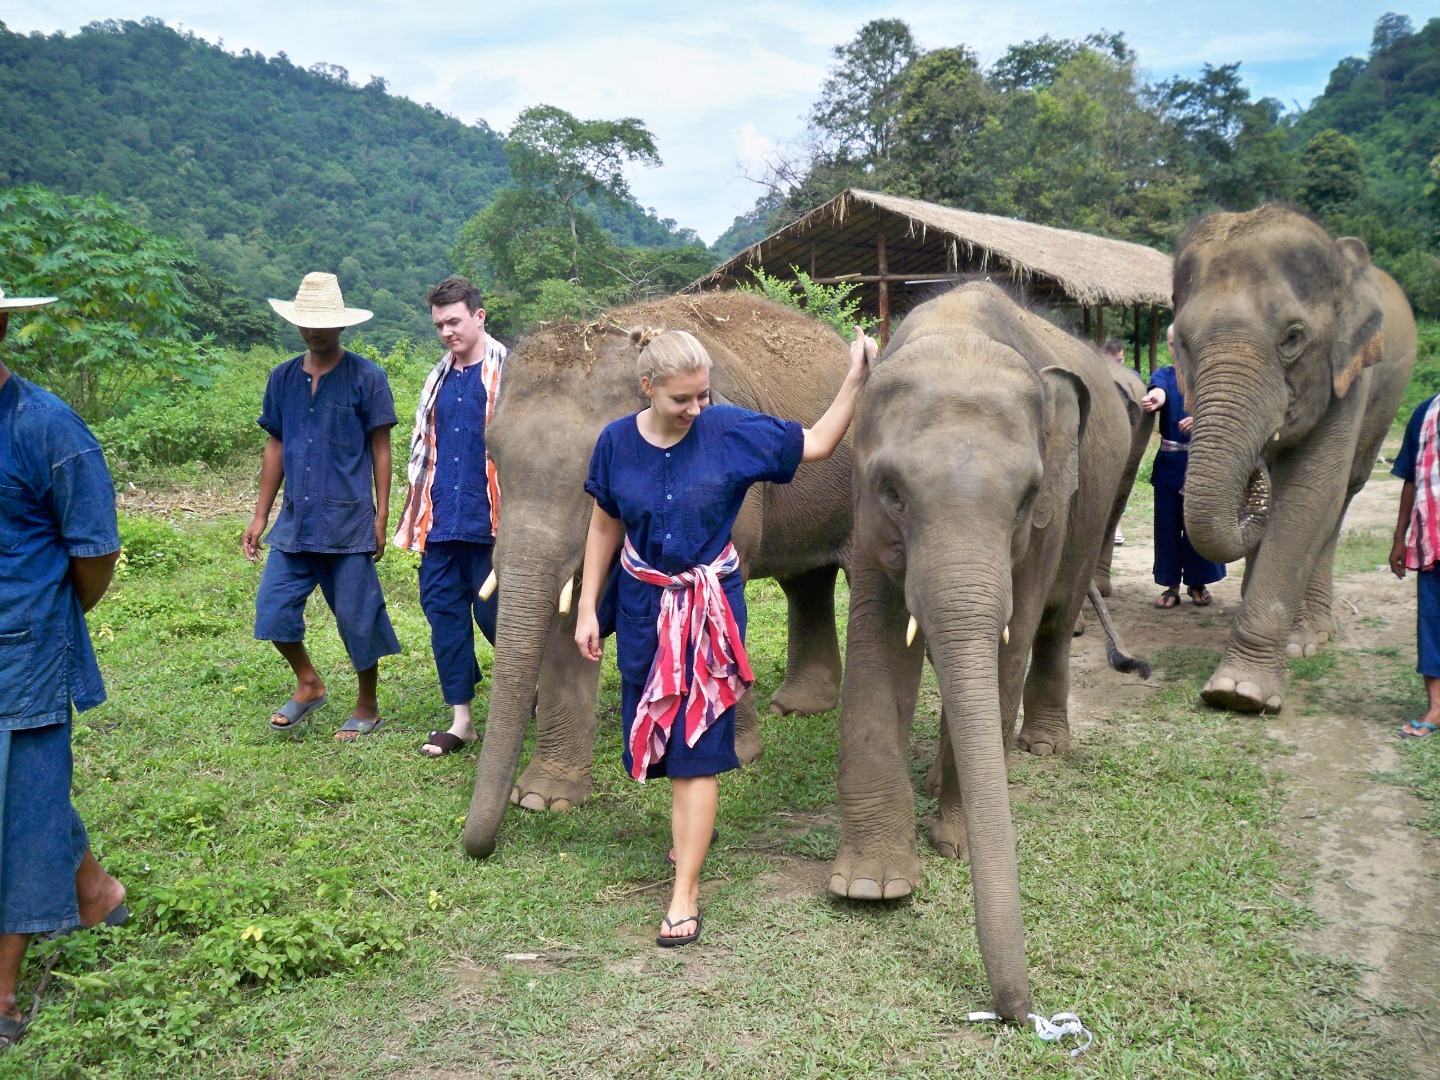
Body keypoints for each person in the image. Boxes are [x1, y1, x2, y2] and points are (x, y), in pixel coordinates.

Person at [574, 324, 874, 947]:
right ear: (647, 387)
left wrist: (854, 380)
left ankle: (684, 892)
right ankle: (687, 840)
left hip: (709, 613)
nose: (696, 409)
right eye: (683, 399)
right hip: (642, 608)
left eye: (703, 395)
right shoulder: (615, 443)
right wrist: (585, 609)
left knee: (697, 753)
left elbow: (817, 443)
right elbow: (605, 524)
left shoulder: (728, 428)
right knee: (662, 744)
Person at [0, 285, 128, 1055]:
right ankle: (95, 891)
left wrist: (46, 619)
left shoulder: (47, 428)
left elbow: (96, 550)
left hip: (25, 648)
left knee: (17, 811)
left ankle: (4, 989)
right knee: (31, 795)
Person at [241, 272, 400, 741]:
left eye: (324, 324)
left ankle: (367, 705)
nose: (315, 332)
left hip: (348, 519)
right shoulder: (283, 377)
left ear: (341, 326)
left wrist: (382, 513)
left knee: (358, 616)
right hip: (296, 521)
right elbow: (275, 446)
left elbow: (381, 449)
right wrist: (259, 513)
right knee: (273, 610)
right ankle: (308, 684)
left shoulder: (366, 378)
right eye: (307, 323)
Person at [392, 276, 507, 757]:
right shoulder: (437, 377)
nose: (446, 332)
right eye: (439, 324)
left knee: (498, 617)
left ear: (479, 316)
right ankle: (461, 720)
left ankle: (539, 695)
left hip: (494, 525)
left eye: (454, 321)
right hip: (440, 522)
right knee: (444, 616)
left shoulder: (511, 374)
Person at [1142, 325, 1226, 608]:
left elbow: (1223, 408)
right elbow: (1160, 392)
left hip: (1203, 461)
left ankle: (1197, 582)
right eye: (1172, 343)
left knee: (1197, 523)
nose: (1177, 347)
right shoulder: (1163, 376)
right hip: (1170, 463)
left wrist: (1202, 417)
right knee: (1167, 525)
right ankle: (1171, 585)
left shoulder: (1211, 376)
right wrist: (1155, 399)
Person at [1389, 391, 1440, 738]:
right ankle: (1436, 708)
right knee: (1432, 622)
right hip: (1432, 540)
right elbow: (1411, 478)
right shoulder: (1426, 412)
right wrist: (1399, 538)